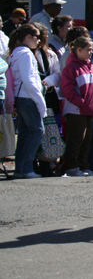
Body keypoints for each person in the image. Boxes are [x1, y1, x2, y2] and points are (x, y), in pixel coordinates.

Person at [60, 37, 93, 177]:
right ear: (79, 50)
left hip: (91, 109)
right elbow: (67, 90)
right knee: (76, 139)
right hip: (76, 111)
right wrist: (82, 102)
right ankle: (72, 167)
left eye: (92, 49)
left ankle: (83, 166)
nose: (91, 52)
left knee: (87, 141)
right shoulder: (71, 67)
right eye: (88, 49)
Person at [9, 24, 46, 178]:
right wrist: (40, 101)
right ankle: (25, 168)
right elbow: (28, 80)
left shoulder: (17, 53)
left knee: (25, 133)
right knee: (37, 131)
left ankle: (21, 169)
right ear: (28, 37)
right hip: (27, 97)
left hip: (22, 97)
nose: (39, 40)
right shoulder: (25, 54)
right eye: (37, 37)